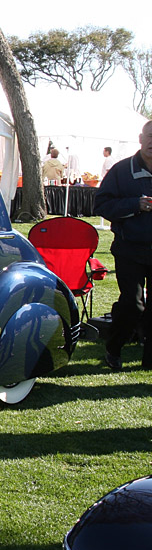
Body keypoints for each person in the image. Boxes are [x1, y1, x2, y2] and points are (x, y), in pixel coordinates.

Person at [93, 120, 152, 370]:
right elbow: (101, 206)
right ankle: (114, 348)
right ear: (140, 138)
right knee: (133, 304)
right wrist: (134, 205)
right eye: (149, 137)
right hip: (130, 250)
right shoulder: (122, 170)